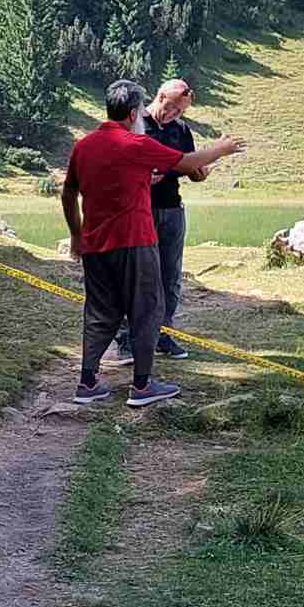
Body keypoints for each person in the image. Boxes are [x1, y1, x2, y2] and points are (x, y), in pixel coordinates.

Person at [64, 80, 243, 407]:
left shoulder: (84, 145)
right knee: (148, 308)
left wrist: (76, 235)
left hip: (95, 245)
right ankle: (142, 387)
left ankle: (87, 382)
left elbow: (68, 193)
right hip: (135, 240)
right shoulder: (137, 144)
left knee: (99, 311)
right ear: (134, 112)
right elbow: (189, 164)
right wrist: (223, 148)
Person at [102, 80, 201, 366]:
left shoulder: (181, 130)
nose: (174, 115)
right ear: (159, 97)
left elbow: (189, 166)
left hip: (171, 210)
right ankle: (125, 341)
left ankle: (162, 335)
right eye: (171, 107)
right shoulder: (133, 123)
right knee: (133, 276)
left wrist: (199, 171)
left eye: (180, 111)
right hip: (136, 210)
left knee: (169, 277)